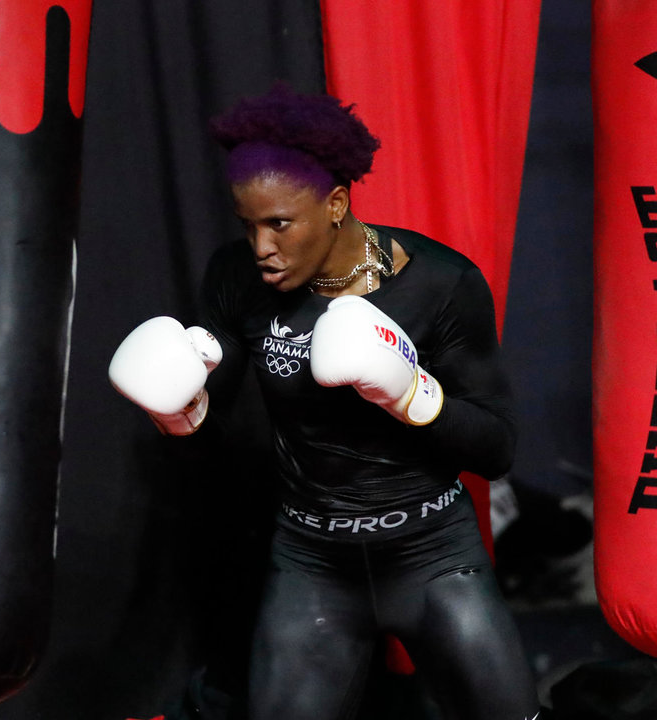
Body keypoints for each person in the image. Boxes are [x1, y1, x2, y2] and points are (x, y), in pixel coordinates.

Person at [109, 83, 542, 720]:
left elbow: (498, 448)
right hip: (311, 562)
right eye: (248, 225)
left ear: (336, 204)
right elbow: (218, 435)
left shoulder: (440, 284)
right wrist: (180, 415)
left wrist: (409, 393)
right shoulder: (237, 278)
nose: (262, 248)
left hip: (433, 554)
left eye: (279, 224)